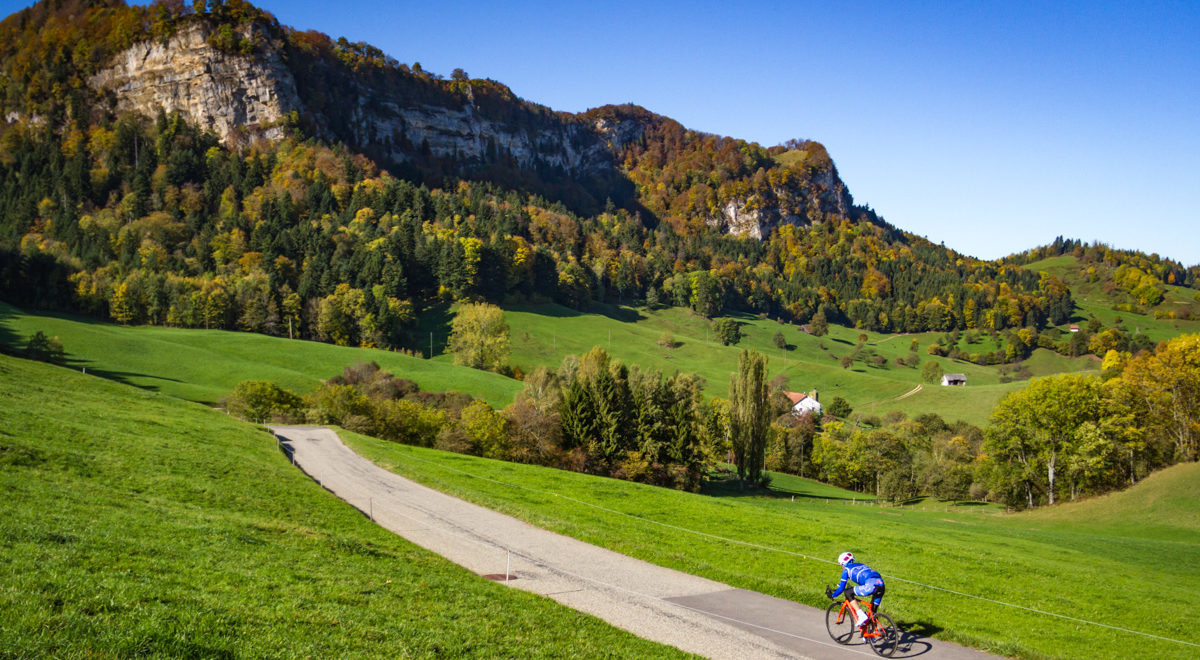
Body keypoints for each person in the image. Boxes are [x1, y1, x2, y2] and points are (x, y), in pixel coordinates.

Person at [827, 551, 885, 628]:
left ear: (843, 563)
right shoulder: (861, 565)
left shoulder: (846, 570)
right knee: (873, 612)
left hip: (871, 586)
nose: (841, 566)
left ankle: (861, 615)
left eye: (841, 565)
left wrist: (833, 595)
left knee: (848, 592)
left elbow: (841, 588)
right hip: (881, 584)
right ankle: (871, 634)